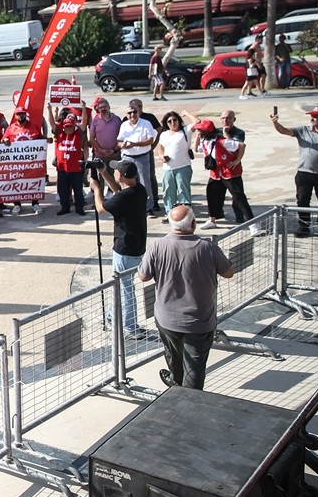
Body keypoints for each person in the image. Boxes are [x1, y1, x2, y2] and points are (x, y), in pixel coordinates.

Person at [137, 205, 235, 390]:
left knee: (174, 355)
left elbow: (143, 276)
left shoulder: (157, 246)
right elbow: (228, 272)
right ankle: (190, 399)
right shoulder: (208, 247)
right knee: (195, 367)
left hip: (167, 320)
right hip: (200, 320)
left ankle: (178, 384)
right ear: (193, 223)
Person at [90, 158, 148, 334]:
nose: (114, 172)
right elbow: (118, 192)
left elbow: (101, 208)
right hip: (136, 246)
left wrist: (96, 188)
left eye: (115, 171)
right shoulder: (138, 190)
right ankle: (111, 315)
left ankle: (130, 327)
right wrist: (103, 172)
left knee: (125, 289)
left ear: (121, 176)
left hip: (124, 249)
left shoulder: (125, 196)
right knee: (121, 285)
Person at [271, 104, 318, 238]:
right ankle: (304, 226)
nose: (312, 119)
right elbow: (284, 131)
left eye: (315, 117)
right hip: (304, 173)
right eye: (312, 116)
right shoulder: (303, 130)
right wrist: (276, 123)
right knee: (303, 201)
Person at [117, 103, 159, 218]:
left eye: (134, 112)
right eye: (129, 113)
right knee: (126, 182)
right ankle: (129, 205)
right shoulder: (124, 125)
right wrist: (122, 145)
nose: (132, 115)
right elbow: (118, 141)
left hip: (142, 157)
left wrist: (135, 144)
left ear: (138, 112)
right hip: (127, 157)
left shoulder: (146, 123)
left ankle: (148, 208)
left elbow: (150, 140)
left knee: (145, 183)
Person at [155, 111, 193, 216]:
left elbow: (198, 122)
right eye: (169, 121)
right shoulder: (164, 134)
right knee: (168, 192)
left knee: (183, 190)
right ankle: (169, 213)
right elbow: (160, 149)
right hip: (168, 168)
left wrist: (187, 113)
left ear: (179, 120)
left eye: (174, 120)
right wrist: (162, 156)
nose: (172, 123)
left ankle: (185, 213)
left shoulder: (185, 131)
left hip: (183, 166)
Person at [52, 113, 87, 216]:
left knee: (78, 189)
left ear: (74, 126)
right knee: (63, 189)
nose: (68, 128)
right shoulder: (59, 133)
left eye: (70, 126)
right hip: (62, 167)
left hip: (76, 167)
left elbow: (84, 123)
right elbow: (52, 123)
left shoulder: (78, 133)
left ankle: (79, 208)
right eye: (66, 126)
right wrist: (51, 110)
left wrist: (84, 109)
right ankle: (65, 207)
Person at [88, 97, 122, 190]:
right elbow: (91, 138)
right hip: (100, 155)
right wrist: (100, 150)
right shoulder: (95, 120)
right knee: (100, 178)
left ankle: (114, 197)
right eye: (100, 107)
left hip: (114, 154)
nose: (103, 109)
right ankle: (100, 200)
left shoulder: (117, 119)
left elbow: (121, 137)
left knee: (115, 176)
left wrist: (114, 149)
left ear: (109, 107)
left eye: (104, 106)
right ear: (98, 109)